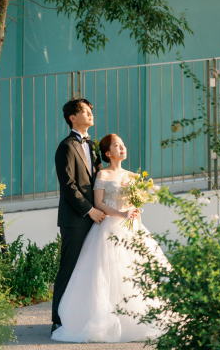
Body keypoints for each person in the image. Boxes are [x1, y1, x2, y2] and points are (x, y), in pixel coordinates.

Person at [51, 132, 170, 343]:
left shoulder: (133, 176)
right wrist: (121, 213)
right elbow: (99, 203)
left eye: (123, 144)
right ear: (107, 153)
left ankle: (138, 317)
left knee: (136, 271)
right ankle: (107, 319)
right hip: (109, 228)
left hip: (132, 228)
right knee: (107, 272)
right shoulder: (102, 175)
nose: (122, 148)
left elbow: (135, 203)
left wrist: (135, 215)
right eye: (117, 145)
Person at [51, 98, 106, 335]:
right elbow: (68, 185)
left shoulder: (93, 146)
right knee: (70, 268)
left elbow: (100, 179)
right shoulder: (65, 147)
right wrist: (89, 210)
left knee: (92, 268)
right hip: (76, 219)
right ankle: (58, 321)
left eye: (90, 110)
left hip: (98, 216)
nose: (90, 114)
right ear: (72, 118)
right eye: (84, 111)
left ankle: (83, 317)